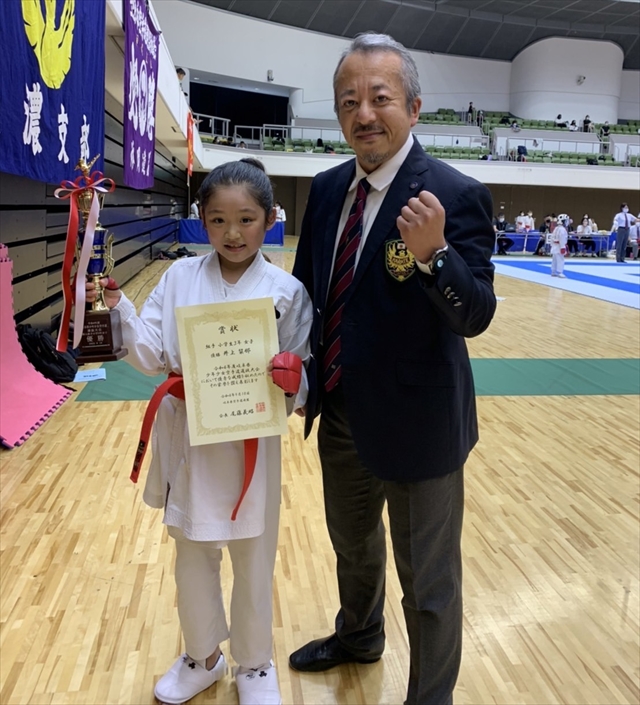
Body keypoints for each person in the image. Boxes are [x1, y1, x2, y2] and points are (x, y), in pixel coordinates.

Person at [289, 33, 496, 705]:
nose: (364, 113)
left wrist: (436, 257)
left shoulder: (454, 193)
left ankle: (428, 697)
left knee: (429, 582)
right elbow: (306, 297)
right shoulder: (324, 192)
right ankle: (359, 636)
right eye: (350, 100)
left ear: (413, 105)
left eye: (380, 98)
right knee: (354, 548)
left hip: (419, 423)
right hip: (342, 410)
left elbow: (476, 315)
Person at [86, 158, 313, 705]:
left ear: (271, 219)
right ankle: (202, 656)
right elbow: (153, 352)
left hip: (248, 442)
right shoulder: (180, 277)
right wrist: (121, 311)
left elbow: (300, 373)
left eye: (247, 219)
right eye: (217, 220)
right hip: (189, 433)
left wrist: (293, 379)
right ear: (201, 221)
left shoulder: (286, 291)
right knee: (192, 553)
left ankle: (256, 665)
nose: (232, 234)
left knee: (254, 555)